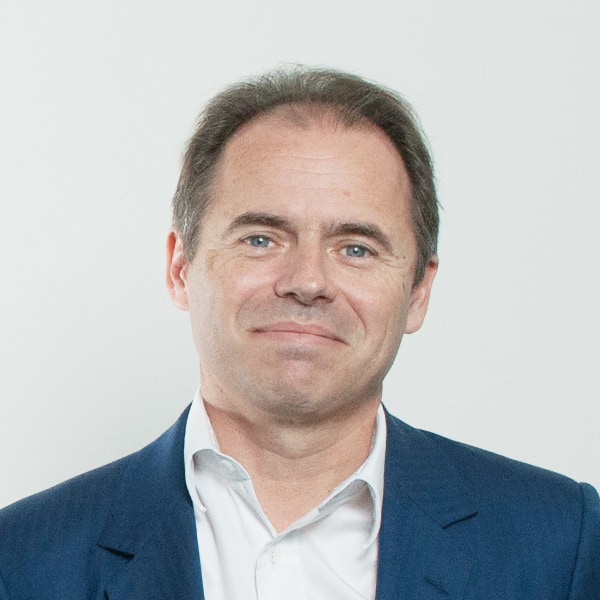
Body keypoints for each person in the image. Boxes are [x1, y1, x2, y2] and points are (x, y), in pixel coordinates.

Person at [0, 66, 598, 600]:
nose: (308, 281)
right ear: (179, 268)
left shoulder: (559, 544)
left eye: (356, 248)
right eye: (262, 238)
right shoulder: (23, 560)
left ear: (418, 291)